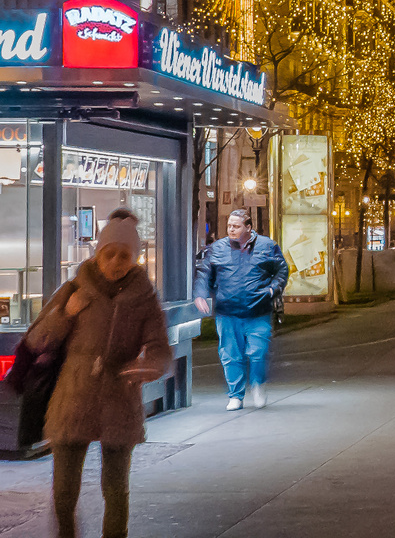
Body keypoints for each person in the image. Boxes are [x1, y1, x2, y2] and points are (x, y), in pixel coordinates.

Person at [26, 210, 171, 538]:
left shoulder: (144, 298)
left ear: (135, 258)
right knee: (64, 491)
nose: (117, 262)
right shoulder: (74, 288)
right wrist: (65, 313)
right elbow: (37, 339)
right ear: (98, 253)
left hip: (119, 398)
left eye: (125, 255)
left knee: (116, 489)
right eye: (110, 254)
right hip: (73, 397)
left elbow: (160, 346)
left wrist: (151, 365)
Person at [194, 209, 289, 410]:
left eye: (236, 226)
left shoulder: (267, 246)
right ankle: (235, 395)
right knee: (230, 355)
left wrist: (273, 289)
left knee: (258, 352)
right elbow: (204, 272)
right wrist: (200, 294)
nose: (231, 229)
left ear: (248, 227)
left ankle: (257, 383)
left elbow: (281, 269)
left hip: (258, 311)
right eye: (229, 225)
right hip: (227, 312)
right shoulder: (217, 249)